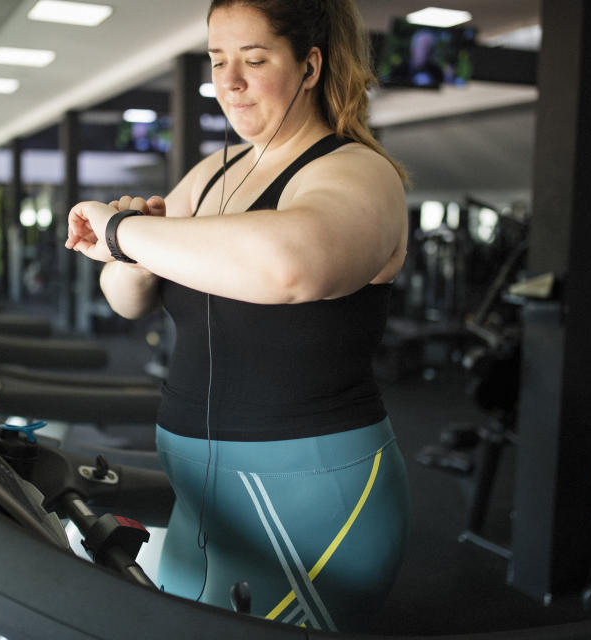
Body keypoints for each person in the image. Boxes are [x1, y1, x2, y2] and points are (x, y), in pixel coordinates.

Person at [65, 0, 410, 632]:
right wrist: (134, 248)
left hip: (310, 498)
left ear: (309, 66)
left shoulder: (360, 172)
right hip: (199, 492)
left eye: (254, 60)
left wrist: (122, 230)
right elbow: (126, 297)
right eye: (218, 61)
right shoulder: (211, 174)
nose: (230, 82)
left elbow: (290, 267)